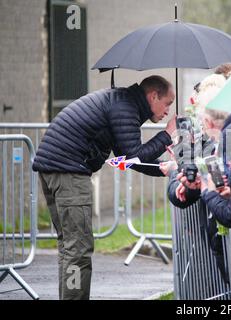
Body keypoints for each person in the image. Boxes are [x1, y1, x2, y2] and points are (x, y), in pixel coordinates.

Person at [33, 75, 177, 300]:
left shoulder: (123, 102)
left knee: (69, 246)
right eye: (168, 103)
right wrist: (167, 135)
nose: (168, 110)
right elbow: (134, 156)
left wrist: (164, 168)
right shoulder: (125, 107)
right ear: (153, 96)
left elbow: (128, 158)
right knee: (77, 248)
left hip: (55, 168)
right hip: (68, 170)